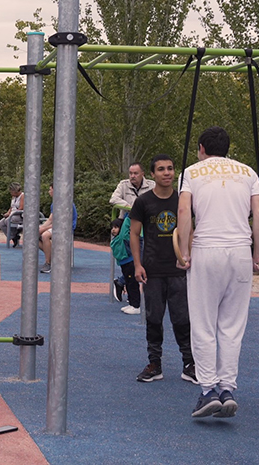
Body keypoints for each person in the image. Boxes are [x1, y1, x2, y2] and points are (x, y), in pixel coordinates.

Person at [176, 126, 259, 419]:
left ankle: (207, 391)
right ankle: (227, 387)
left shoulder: (191, 172)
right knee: (232, 325)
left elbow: (184, 214)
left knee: (203, 324)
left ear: (202, 147)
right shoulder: (248, 172)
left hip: (207, 249)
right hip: (240, 251)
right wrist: (258, 255)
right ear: (227, 148)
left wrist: (184, 253)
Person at [130, 154, 195, 383]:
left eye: (170, 168)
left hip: (179, 269)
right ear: (153, 174)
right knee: (154, 319)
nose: (166, 173)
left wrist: (191, 258)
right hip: (153, 269)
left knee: (182, 319)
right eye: (161, 169)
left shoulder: (183, 201)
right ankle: (154, 364)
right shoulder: (143, 202)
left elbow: (191, 232)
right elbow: (134, 234)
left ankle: (189, 364)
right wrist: (137, 265)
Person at [109, 162, 155, 298]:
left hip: (147, 225)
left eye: (135, 173)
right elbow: (113, 199)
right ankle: (128, 286)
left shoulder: (151, 185)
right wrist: (131, 206)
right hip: (128, 227)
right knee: (131, 260)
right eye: (131, 173)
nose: (132, 176)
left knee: (146, 257)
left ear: (143, 174)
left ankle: (122, 281)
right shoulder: (124, 185)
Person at [38, 183, 78, 274]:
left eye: (50, 189)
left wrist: (43, 229)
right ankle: (54, 257)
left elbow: (61, 224)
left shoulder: (66, 203)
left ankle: (48, 263)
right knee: (34, 235)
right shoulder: (54, 203)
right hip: (57, 226)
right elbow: (50, 220)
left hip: (66, 228)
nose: (49, 192)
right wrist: (40, 228)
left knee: (45, 235)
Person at [109, 216, 142, 315]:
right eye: (112, 227)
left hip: (130, 262)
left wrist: (128, 217)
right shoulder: (116, 239)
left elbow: (125, 231)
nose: (113, 230)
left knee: (132, 284)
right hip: (124, 263)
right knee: (128, 283)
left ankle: (136, 305)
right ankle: (132, 303)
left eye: (116, 227)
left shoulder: (125, 237)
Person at [0, 182, 25, 247]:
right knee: (0, 223)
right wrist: (7, 213)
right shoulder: (13, 197)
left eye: (11, 191)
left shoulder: (22, 196)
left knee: (8, 221)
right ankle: (14, 236)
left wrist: (13, 213)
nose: (11, 193)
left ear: (15, 191)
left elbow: (21, 207)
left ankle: (14, 235)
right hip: (12, 214)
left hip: (19, 215)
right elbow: (11, 207)